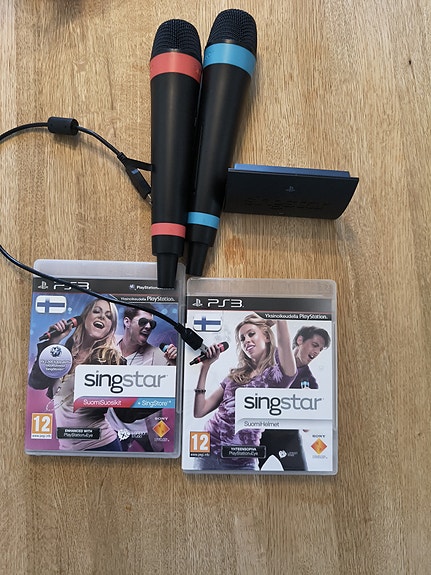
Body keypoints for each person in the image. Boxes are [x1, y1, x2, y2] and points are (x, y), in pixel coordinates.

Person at [193, 314, 297, 470]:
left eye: (251, 334)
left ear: (267, 337)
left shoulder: (277, 376)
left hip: (243, 460)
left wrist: (280, 313)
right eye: (242, 339)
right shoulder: (235, 376)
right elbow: (199, 411)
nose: (246, 340)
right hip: (207, 451)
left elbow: (284, 343)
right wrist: (205, 366)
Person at [28, 298, 127, 452]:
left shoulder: (111, 360)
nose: (102, 317)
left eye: (108, 316)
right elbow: (36, 382)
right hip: (67, 448)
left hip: (101, 445)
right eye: (96, 311)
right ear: (84, 317)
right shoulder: (66, 351)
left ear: (110, 327)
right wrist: (52, 343)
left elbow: (122, 410)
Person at [105, 305, 177, 452]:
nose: (149, 326)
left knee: (158, 461)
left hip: (144, 430)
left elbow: (173, 391)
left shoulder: (158, 355)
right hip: (111, 428)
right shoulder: (107, 347)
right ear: (127, 322)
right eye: (143, 321)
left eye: (152, 324)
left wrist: (174, 365)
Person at [259, 325, 331, 471]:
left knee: (301, 476)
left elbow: (306, 428)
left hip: (288, 439)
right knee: (241, 470)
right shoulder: (272, 356)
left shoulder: (310, 382)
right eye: (315, 345)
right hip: (259, 434)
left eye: (320, 349)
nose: (316, 352)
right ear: (300, 340)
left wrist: (305, 404)